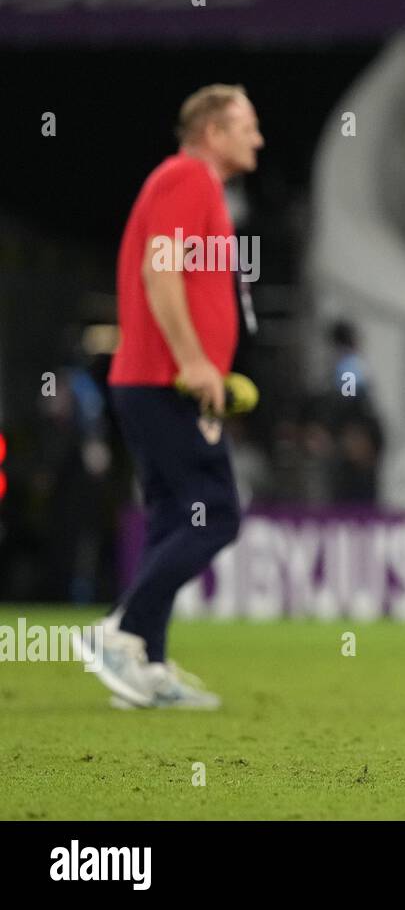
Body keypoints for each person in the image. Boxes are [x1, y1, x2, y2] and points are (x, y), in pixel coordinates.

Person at [89, 84, 264, 709]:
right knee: (216, 512)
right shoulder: (187, 178)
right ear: (214, 131)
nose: (259, 138)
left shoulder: (194, 184)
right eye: (247, 126)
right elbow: (160, 270)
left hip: (158, 381)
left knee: (172, 518)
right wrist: (194, 360)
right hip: (163, 379)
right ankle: (121, 632)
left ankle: (150, 666)